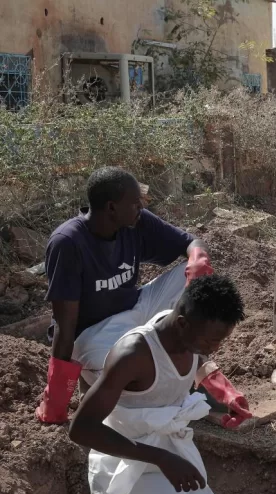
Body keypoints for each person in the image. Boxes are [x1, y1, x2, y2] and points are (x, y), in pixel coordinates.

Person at [37, 167, 250, 430]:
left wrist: (199, 260)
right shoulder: (68, 243)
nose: (141, 206)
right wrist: (56, 398)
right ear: (112, 207)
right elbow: (65, 325)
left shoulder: (135, 223)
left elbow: (191, 242)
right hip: (94, 334)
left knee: (192, 277)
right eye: (135, 202)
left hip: (136, 307)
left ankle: (199, 380)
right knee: (134, 380)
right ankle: (181, 392)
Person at [69, 274, 246, 494]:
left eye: (220, 340)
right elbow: (81, 428)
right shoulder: (133, 355)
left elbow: (197, 358)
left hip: (174, 456)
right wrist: (160, 458)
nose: (215, 348)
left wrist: (223, 392)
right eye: (211, 340)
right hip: (129, 472)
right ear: (182, 324)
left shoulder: (186, 333)